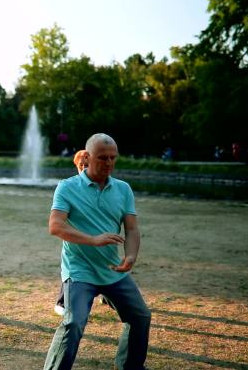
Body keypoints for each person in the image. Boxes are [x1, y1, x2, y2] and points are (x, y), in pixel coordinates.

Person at [43, 133, 151, 370]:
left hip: (113, 270)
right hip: (79, 271)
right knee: (73, 323)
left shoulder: (123, 189)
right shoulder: (67, 187)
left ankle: (130, 366)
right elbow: (56, 226)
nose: (109, 163)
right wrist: (92, 239)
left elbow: (132, 229)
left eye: (113, 158)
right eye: (103, 158)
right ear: (88, 157)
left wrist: (130, 256)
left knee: (140, 317)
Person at [53, 149, 88, 316]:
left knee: (105, 267)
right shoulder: (69, 186)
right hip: (76, 241)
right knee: (74, 271)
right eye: (81, 166)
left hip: (100, 243)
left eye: (87, 165)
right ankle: (61, 302)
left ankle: (106, 295)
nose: (84, 169)